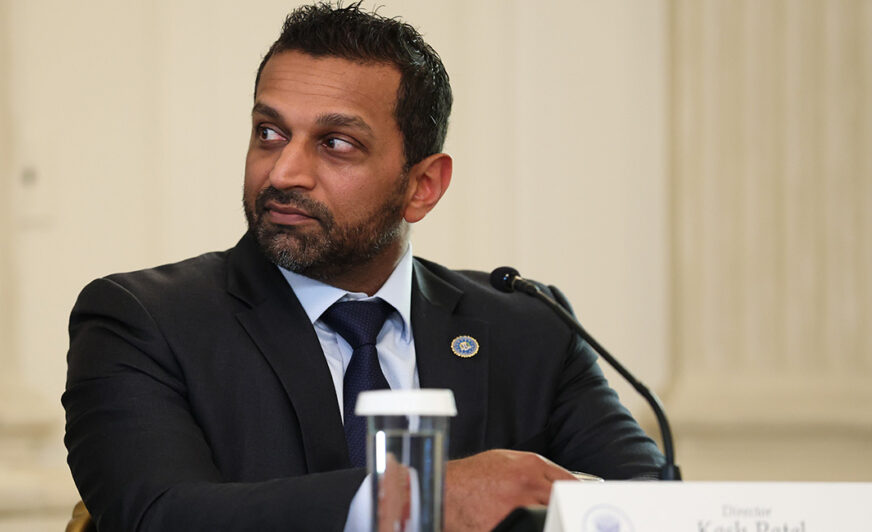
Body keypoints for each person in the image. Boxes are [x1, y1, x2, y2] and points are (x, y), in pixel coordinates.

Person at [62, 3, 663, 531]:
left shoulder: (529, 327)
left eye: (335, 144)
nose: (283, 173)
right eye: (269, 133)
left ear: (423, 186)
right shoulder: (143, 320)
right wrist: (420, 501)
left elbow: (657, 510)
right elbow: (158, 516)